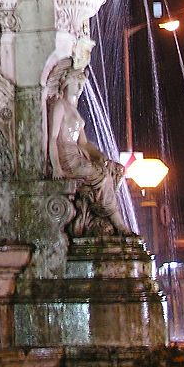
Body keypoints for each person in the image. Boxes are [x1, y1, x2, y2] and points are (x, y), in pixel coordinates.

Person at [47, 58, 131, 235]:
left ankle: (103, 215)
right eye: (76, 81)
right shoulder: (59, 106)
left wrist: (100, 155)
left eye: (81, 83)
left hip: (78, 154)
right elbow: (53, 138)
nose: (79, 86)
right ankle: (117, 223)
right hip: (67, 156)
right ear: (65, 83)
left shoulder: (75, 110)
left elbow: (84, 143)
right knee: (102, 177)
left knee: (115, 170)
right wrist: (56, 166)